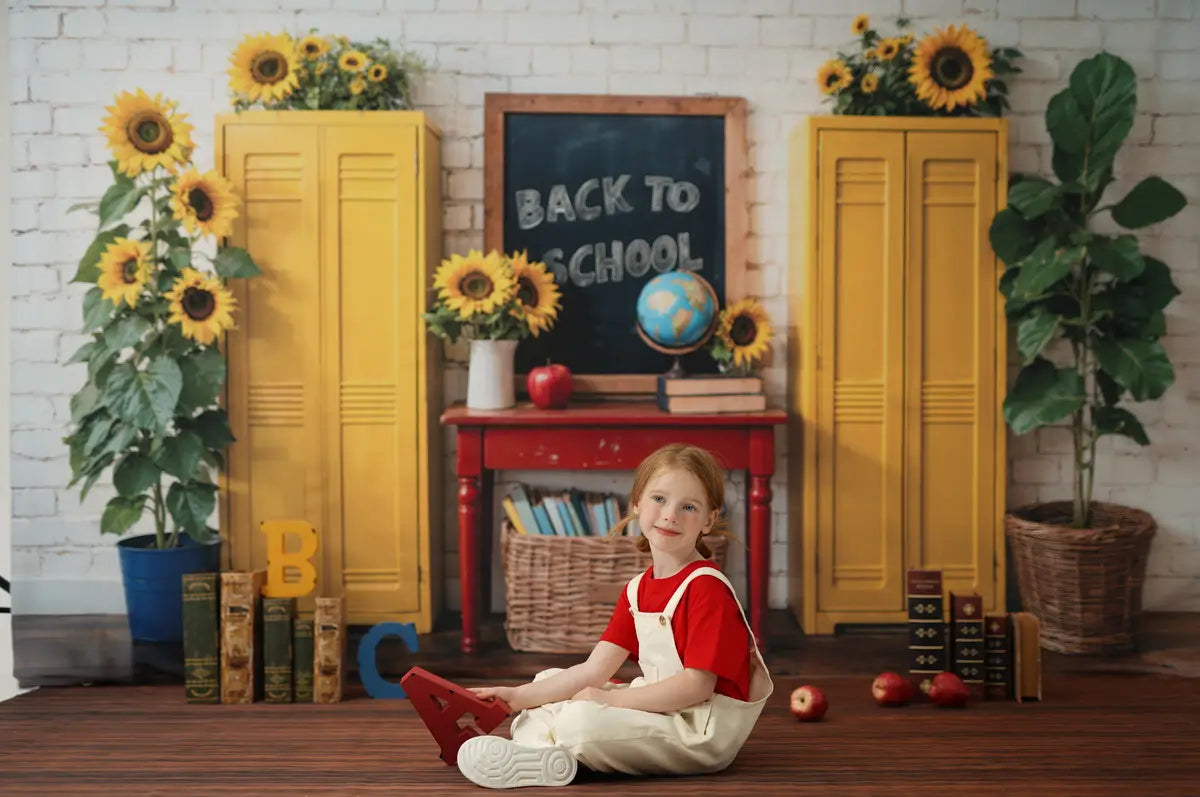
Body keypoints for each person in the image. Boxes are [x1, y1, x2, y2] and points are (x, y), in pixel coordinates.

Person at [456, 443, 774, 789]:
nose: (670, 515)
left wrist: (609, 700)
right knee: (545, 681)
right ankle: (544, 757)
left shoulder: (707, 588)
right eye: (659, 499)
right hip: (662, 709)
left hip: (696, 728)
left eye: (689, 506)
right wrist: (514, 696)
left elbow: (696, 686)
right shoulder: (637, 589)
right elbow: (594, 670)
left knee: (580, 720)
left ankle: (541, 747)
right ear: (636, 503)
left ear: (708, 520)